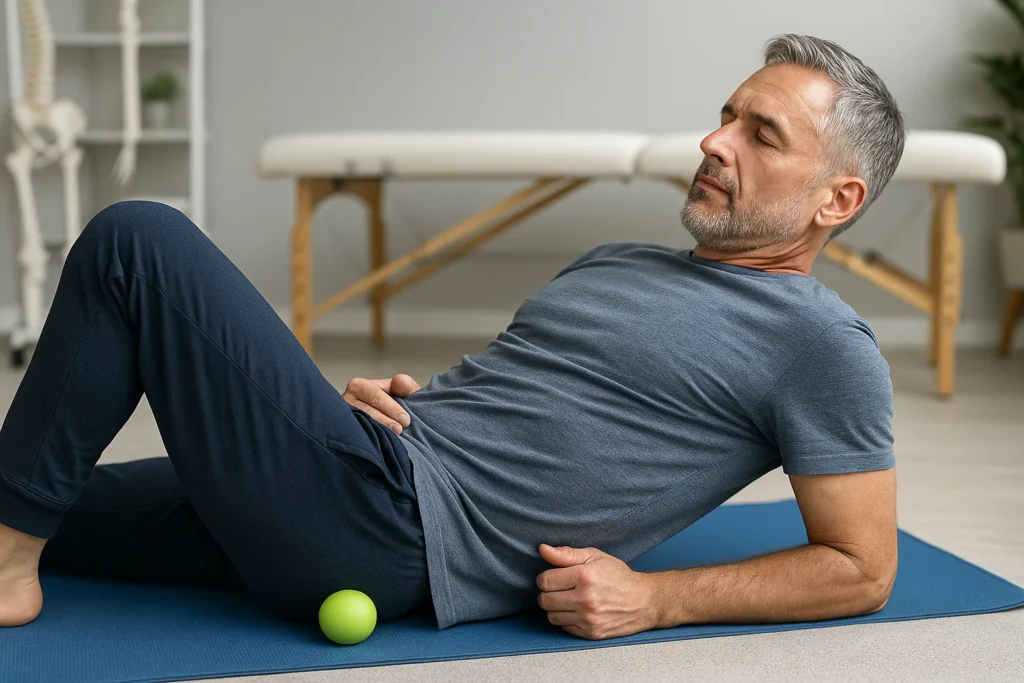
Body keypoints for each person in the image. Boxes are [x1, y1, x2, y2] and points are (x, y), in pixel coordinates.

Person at [0, 33, 904, 640]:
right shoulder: (618, 259)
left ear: (837, 200)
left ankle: (12, 567)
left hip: (388, 533)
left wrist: (657, 597)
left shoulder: (821, 342)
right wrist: (407, 401)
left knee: (137, 240)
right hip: (366, 469)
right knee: (43, 488)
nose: (715, 139)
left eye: (761, 133)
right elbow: (531, 409)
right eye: (727, 114)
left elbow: (863, 568)